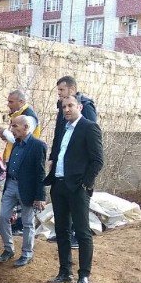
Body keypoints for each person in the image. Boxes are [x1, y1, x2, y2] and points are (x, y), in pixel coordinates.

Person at [45, 95, 103, 283]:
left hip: (78, 187)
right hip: (59, 185)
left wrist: (85, 185)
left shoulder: (89, 127)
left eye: (70, 105)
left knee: (82, 231)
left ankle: (84, 275)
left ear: (79, 106)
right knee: (61, 230)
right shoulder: (63, 128)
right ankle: (64, 272)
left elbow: (97, 160)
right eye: (64, 107)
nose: (67, 109)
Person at [50, 76, 98, 249]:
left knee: (80, 219)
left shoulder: (87, 107)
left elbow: (92, 140)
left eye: (62, 90)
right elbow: (60, 135)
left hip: (78, 171)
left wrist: (86, 182)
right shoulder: (62, 108)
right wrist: (54, 159)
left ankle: (78, 237)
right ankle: (66, 237)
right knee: (62, 219)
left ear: (71, 90)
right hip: (62, 171)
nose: (60, 94)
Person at [0, 116, 48, 268]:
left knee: (27, 222)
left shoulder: (38, 145)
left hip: (27, 189)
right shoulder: (16, 144)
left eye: (15, 126)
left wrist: (40, 196)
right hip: (11, 184)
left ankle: (26, 254)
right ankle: (8, 249)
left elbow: (40, 172)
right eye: (12, 126)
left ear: (26, 127)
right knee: (3, 217)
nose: (12, 129)